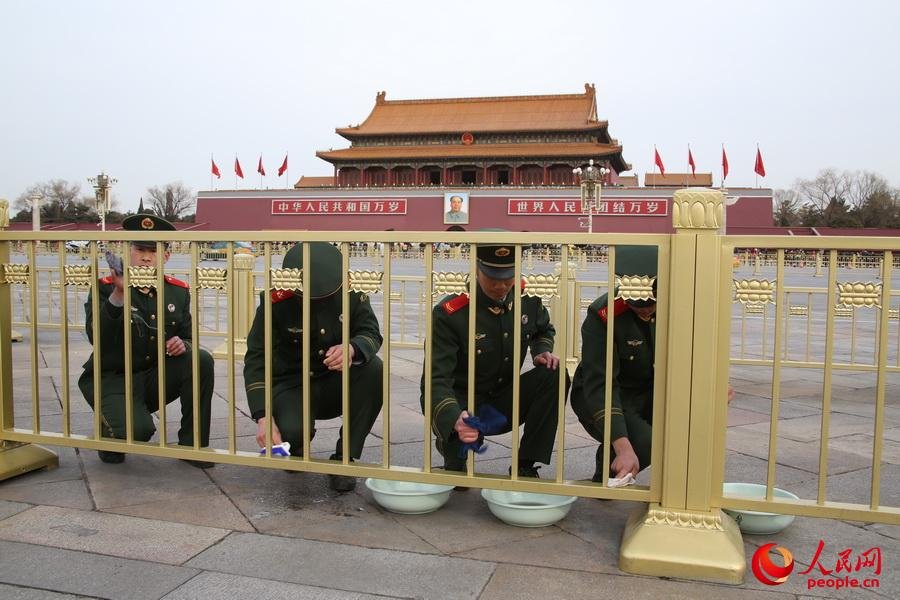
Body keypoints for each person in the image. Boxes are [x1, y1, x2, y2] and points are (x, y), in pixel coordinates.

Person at [421, 239, 568, 479]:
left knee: (555, 374)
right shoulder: (451, 314)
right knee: (457, 477)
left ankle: (525, 464)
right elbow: (435, 380)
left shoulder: (526, 301)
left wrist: (541, 350)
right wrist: (453, 418)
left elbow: (543, 329)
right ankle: (451, 446)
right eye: (492, 278)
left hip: (504, 401)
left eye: (508, 278)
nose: (501, 286)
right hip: (465, 405)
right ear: (476, 268)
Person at [243, 241, 383, 492]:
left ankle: (345, 458)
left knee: (374, 369)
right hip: (293, 385)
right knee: (290, 434)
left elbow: (371, 332)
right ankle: (296, 443)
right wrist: (263, 416)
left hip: (335, 381)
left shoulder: (352, 293)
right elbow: (257, 357)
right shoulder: (276, 301)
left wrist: (352, 348)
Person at [78, 214, 214, 468]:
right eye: (140, 249)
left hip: (152, 376)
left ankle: (193, 444)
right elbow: (97, 336)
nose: (146, 257)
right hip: (114, 377)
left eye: (154, 251)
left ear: (166, 256)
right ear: (128, 251)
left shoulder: (177, 291)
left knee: (201, 359)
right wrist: (119, 294)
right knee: (137, 433)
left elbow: (187, 336)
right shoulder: (106, 287)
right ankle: (110, 428)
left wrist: (182, 344)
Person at [570, 245, 658, 482]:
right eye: (636, 306)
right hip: (600, 393)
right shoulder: (604, 314)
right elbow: (600, 383)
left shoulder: (679, 307)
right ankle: (615, 460)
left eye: (651, 304)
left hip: (646, 394)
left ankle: (608, 471)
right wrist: (623, 446)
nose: (645, 311)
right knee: (646, 442)